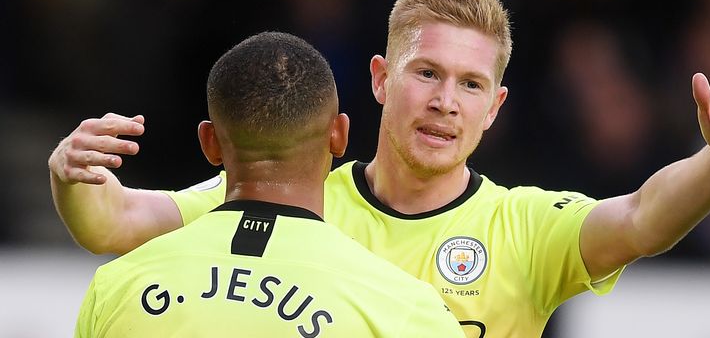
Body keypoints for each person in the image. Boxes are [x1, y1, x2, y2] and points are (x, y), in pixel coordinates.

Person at [51, 0, 710, 338]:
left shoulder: (522, 228)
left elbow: (639, 218)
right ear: (381, 80)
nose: (446, 100)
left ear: (496, 107)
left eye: (470, 84)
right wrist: (71, 173)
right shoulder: (292, 199)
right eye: (427, 74)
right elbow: (114, 225)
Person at [70, 32, 465, 337]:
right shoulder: (407, 309)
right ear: (339, 136)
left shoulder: (117, 286)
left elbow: (110, 219)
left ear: (209, 143)